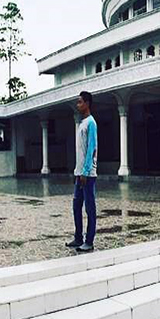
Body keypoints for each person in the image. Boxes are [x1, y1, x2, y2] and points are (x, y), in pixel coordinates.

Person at [66, 91, 97, 252]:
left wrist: (85, 171)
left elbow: (92, 149)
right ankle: (78, 238)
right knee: (76, 206)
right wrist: (77, 172)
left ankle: (89, 241)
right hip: (79, 174)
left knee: (89, 208)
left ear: (87, 103)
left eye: (80, 102)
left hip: (88, 175)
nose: (78, 105)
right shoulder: (82, 123)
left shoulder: (91, 123)